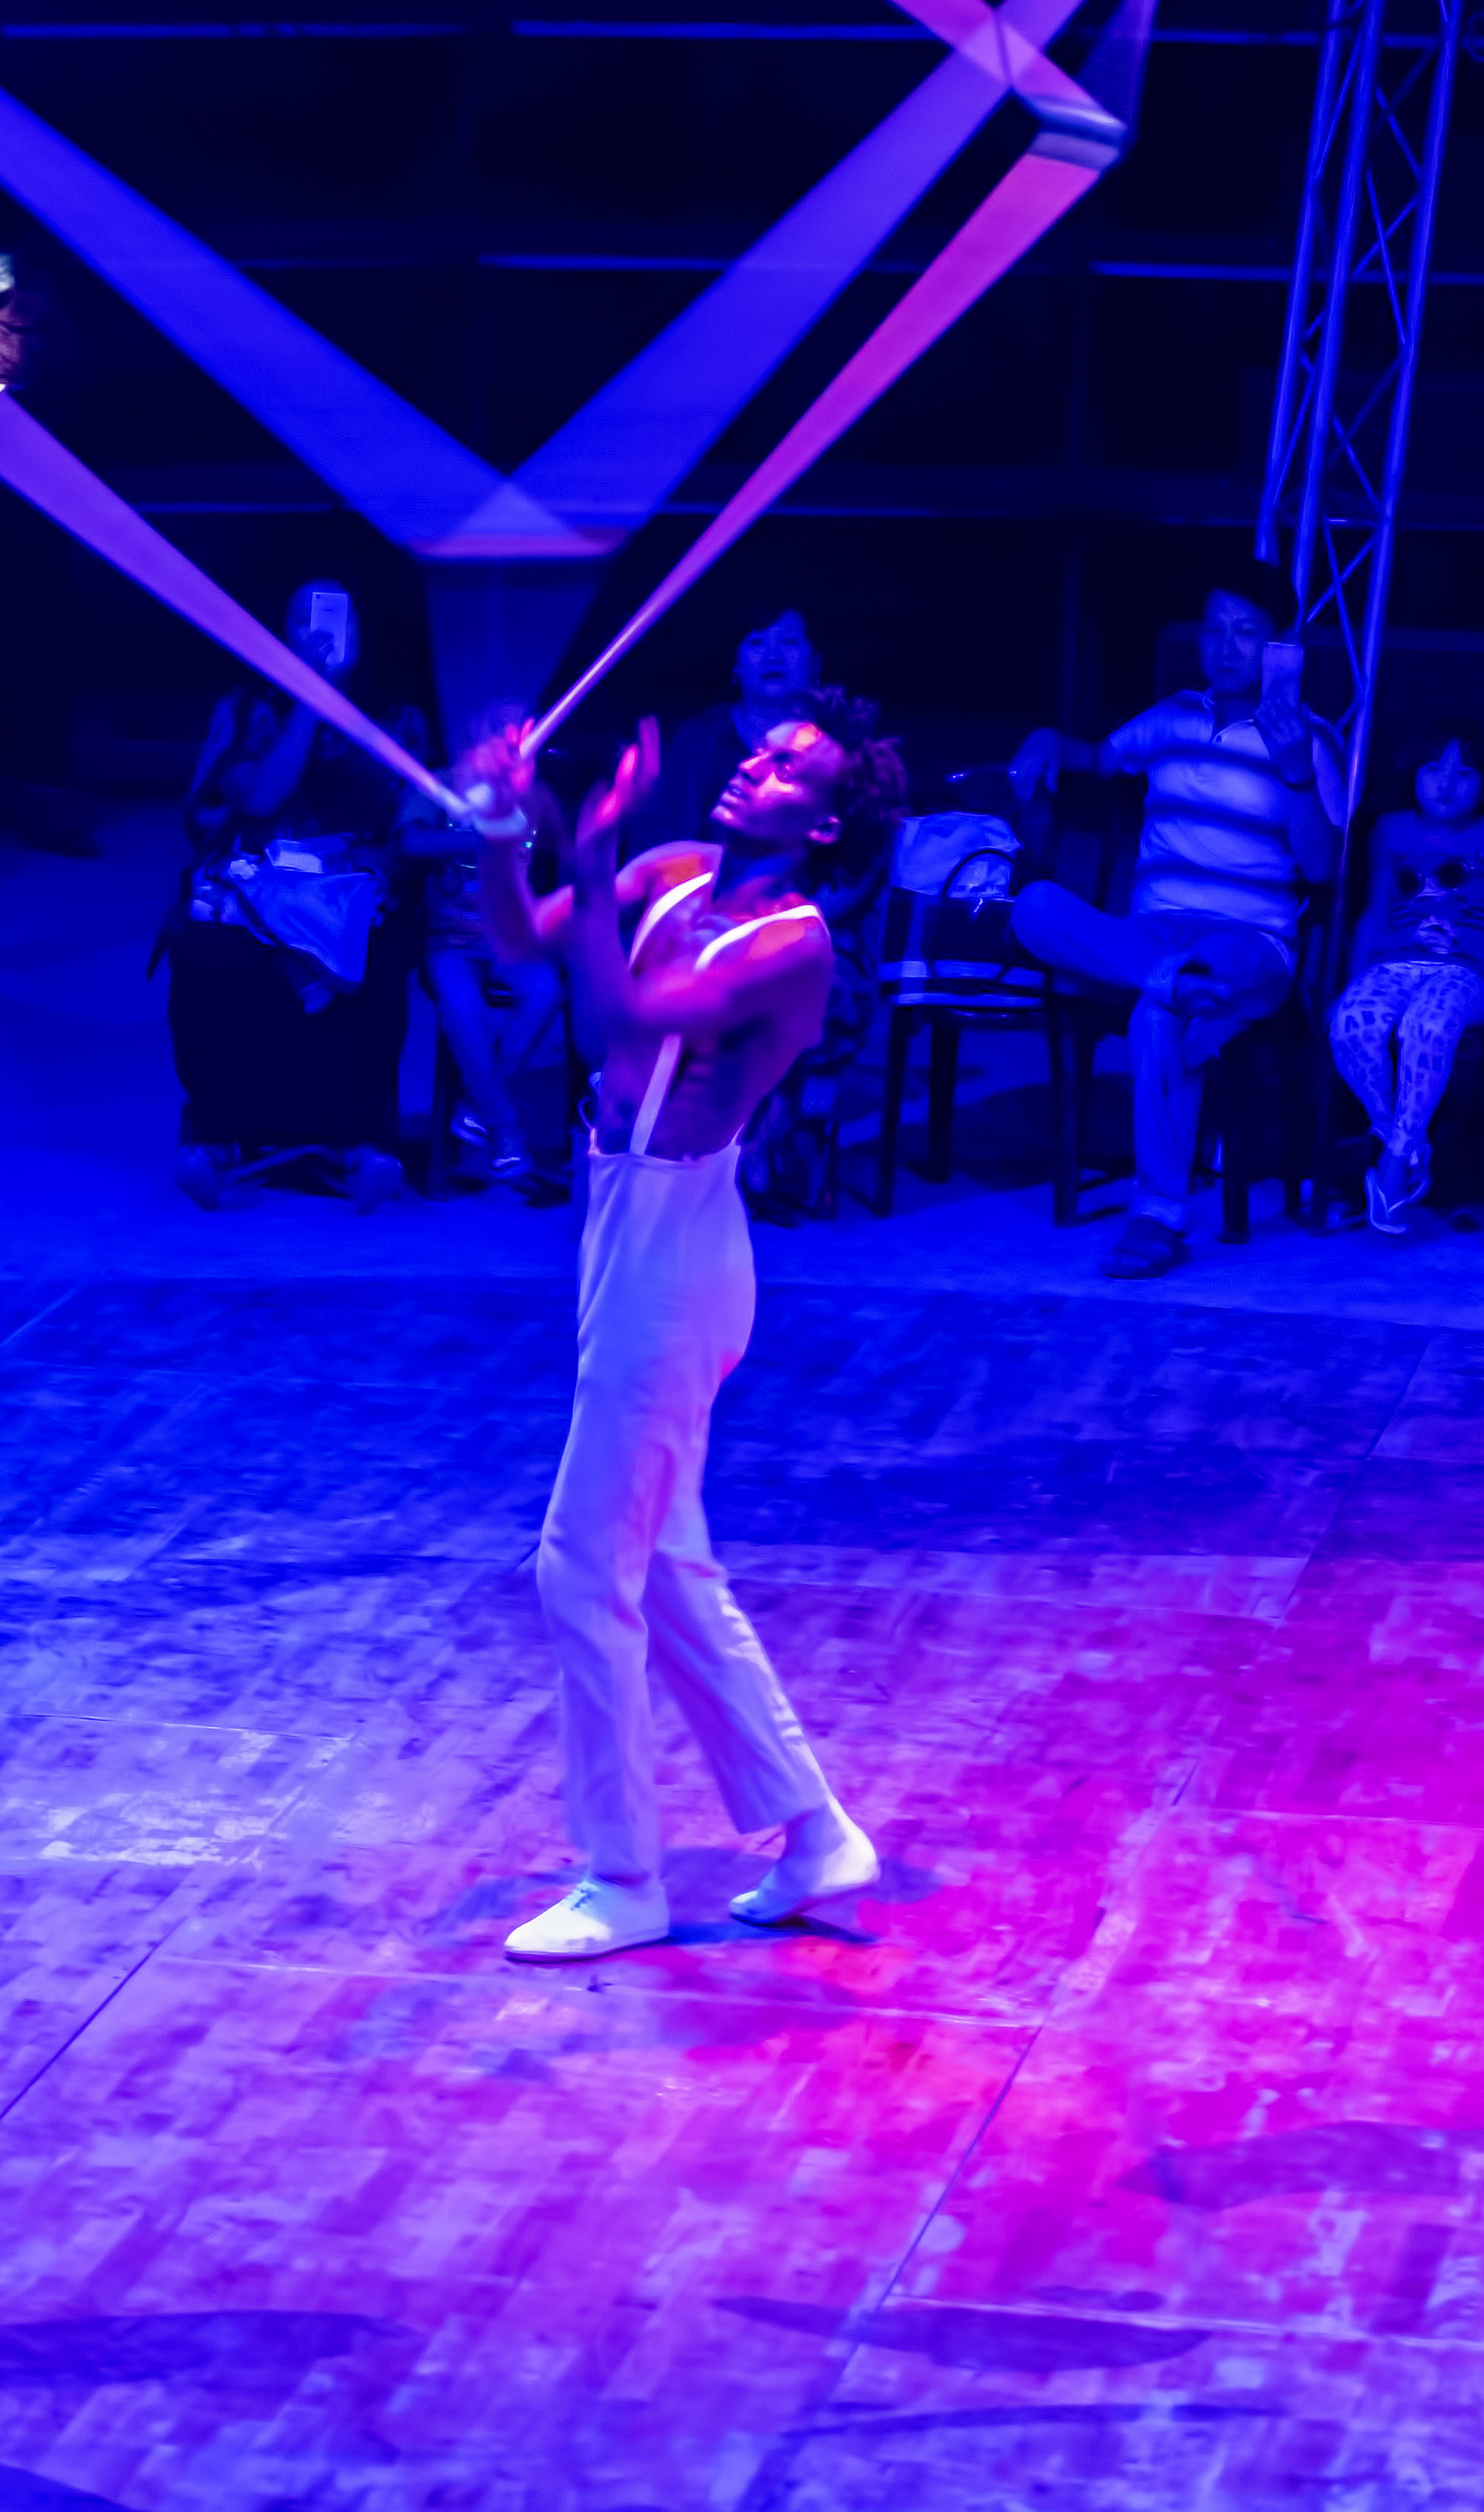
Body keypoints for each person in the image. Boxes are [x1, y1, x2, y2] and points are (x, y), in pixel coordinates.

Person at [470, 686, 905, 1963]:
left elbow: (619, 1016)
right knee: (662, 1563)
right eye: (759, 749)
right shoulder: (670, 870)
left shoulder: (795, 944)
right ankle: (816, 1835)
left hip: (681, 1248)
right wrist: (508, 827)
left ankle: (623, 1877)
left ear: (822, 826)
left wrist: (588, 842)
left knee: (578, 1563)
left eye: (787, 768)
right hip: (617, 1214)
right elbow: (524, 940)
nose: (752, 765)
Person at [1007, 561, 1342, 1277]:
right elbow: (1097, 758)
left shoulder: (1311, 741)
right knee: (1035, 906)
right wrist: (1046, 738)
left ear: (1281, 646)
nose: (1225, 647)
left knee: (1157, 1012)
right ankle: (1172, 979)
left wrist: (1296, 774)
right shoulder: (1172, 716)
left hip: (1248, 945)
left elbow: (1320, 869)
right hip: (1153, 931)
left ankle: (1157, 1215)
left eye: (1245, 632)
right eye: (1213, 630)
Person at [164, 585, 408, 1201]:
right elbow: (261, 798)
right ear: (283, 633)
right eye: (304, 617)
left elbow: (399, 818)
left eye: (337, 616)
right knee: (208, 953)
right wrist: (310, 695)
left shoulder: (395, 717)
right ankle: (215, 1140)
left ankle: (361, 1145)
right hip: (253, 886)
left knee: (377, 959)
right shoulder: (249, 710)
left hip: (347, 889)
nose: (320, 629)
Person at [1328, 728, 1484, 1234]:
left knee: (1427, 1025)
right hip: (1393, 963)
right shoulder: (1390, 830)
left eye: (1463, 773)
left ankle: (1393, 1167)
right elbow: (1374, 913)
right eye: (1432, 770)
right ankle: (1405, 1140)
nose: (1445, 784)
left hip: (1470, 970)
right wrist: (1351, 984)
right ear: (1414, 777)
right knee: (1352, 1024)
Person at [392, 704, 569, 1196]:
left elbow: (568, 854)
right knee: (462, 1008)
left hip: (510, 935)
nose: (511, 744)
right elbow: (410, 844)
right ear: (473, 736)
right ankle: (506, 1129)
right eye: (499, 733)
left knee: (546, 992)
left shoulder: (536, 795)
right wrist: (482, 836)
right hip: (448, 939)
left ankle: (476, 1103)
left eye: (522, 736)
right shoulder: (440, 784)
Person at [628, 611, 821, 854]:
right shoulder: (699, 738)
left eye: (789, 641)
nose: (773, 657)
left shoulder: (836, 739)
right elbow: (665, 838)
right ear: (736, 666)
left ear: (816, 662)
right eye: (757, 642)